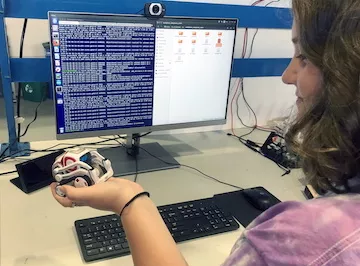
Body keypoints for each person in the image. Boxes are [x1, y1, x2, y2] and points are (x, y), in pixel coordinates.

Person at [51, 0, 360, 265]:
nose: (286, 76)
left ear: (346, 75)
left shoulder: (299, 240)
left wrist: (128, 199)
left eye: (304, 57)